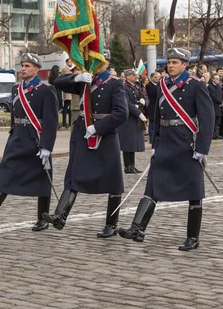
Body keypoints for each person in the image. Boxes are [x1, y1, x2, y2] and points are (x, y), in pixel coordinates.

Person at [118, 48, 215, 251]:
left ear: (185, 64)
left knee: (193, 189)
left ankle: (192, 237)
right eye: (169, 62)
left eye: (175, 62)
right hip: (166, 141)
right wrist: (155, 143)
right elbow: (156, 114)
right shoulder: (163, 84)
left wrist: (202, 148)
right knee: (153, 184)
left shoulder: (196, 85)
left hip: (187, 142)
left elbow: (207, 118)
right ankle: (138, 228)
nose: (170, 65)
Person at [43, 50, 129, 238]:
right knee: (74, 172)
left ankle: (111, 224)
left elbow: (121, 113)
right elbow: (57, 82)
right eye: (92, 61)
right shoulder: (85, 80)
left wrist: (98, 127)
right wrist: (77, 77)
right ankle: (60, 215)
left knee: (113, 180)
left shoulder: (115, 84)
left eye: (100, 62)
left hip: (105, 135)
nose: (96, 65)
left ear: (106, 63)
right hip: (82, 132)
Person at [0, 53, 59, 232]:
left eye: (27, 66)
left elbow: (51, 121)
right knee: (6, 171)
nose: (23, 69)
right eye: (23, 66)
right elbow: (14, 116)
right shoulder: (16, 89)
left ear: (36, 69)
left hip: (36, 139)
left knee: (43, 178)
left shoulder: (46, 89)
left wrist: (47, 146)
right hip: (18, 137)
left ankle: (42, 217)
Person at [118, 69, 148, 174]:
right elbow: (127, 103)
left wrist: (143, 103)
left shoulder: (136, 87)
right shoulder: (124, 87)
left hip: (135, 118)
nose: (136, 76)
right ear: (127, 77)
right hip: (128, 118)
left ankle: (132, 165)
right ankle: (127, 166)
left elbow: (144, 97)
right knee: (128, 143)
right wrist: (138, 113)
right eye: (133, 75)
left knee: (133, 143)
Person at [207, 74, 223, 139]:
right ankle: (213, 135)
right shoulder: (210, 87)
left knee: (218, 122)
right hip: (214, 106)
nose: (218, 80)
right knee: (213, 122)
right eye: (216, 79)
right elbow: (213, 96)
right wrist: (220, 102)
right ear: (213, 79)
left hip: (220, 107)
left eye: (218, 79)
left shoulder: (219, 86)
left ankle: (217, 134)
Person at [146, 72, 161, 143]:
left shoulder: (159, 85)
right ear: (151, 78)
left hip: (158, 106)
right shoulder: (149, 85)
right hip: (152, 106)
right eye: (156, 77)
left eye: (159, 77)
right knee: (152, 123)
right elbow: (153, 94)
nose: (157, 78)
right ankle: (152, 138)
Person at [60, 58, 74, 128]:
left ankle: (70, 122)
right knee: (65, 107)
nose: (71, 63)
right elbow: (69, 76)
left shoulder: (72, 69)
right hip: (67, 92)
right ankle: (64, 123)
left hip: (71, 92)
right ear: (66, 62)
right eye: (69, 61)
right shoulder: (64, 69)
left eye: (71, 61)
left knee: (71, 108)